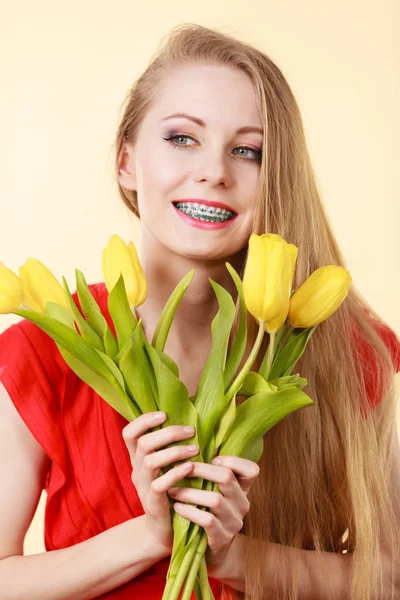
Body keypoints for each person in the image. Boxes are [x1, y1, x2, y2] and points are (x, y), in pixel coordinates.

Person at [0, 23, 399, 600]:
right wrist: (151, 536)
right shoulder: (43, 351)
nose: (215, 170)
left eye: (248, 150)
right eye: (183, 138)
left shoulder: (344, 349)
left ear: (275, 178)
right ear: (126, 163)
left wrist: (231, 555)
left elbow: (388, 575)